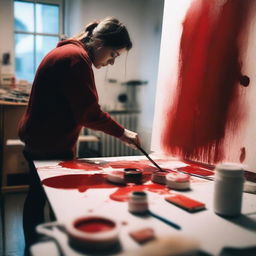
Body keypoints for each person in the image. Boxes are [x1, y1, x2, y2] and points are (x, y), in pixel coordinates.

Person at [18, 16, 141, 252]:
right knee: (46, 200)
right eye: (114, 54)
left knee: (37, 197)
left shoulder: (70, 54)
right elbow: (89, 113)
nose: (112, 62)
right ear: (101, 43)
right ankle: (39, 249)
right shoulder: (74, 58)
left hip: (43, 139)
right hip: (48, 144)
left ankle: (35, 248)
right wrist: (124, 133)